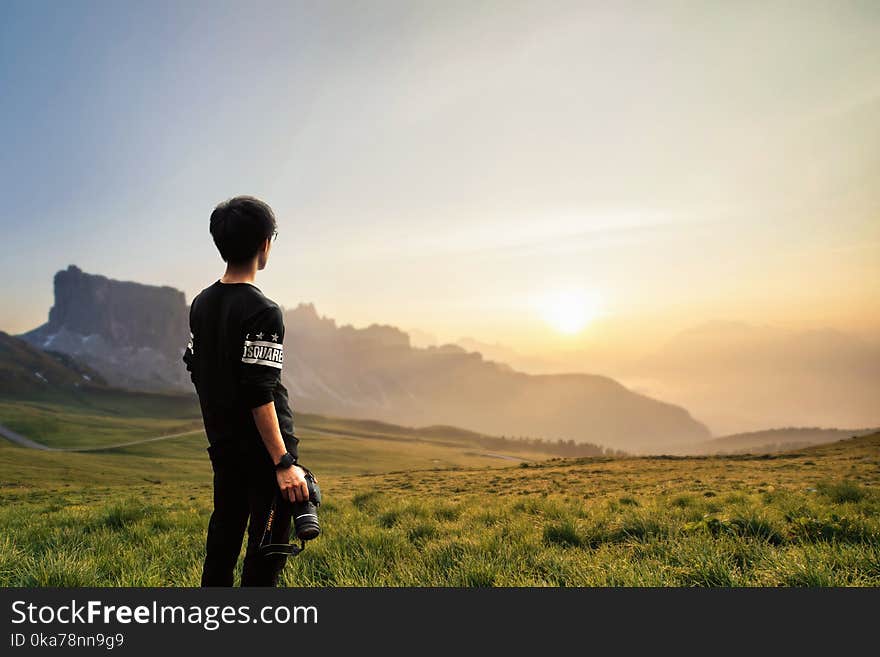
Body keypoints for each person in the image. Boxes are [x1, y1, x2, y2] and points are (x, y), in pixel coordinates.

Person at [182, 195, 309, 586]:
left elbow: (196, 367)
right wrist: (284, 462)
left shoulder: (201, 304)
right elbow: (260, 392)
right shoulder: (263, 311)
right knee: (266, 553)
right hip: (263, 452)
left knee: (222, 540)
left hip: (223, 447)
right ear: (264, 245)